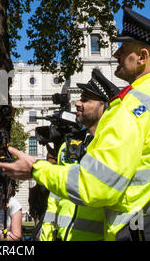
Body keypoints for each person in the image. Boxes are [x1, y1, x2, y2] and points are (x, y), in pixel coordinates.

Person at [0, 7, 150, 241]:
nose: (116, 54)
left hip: (148, 232)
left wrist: (36, 169)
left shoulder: (131, 107)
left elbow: (95, 185)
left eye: (123, 49)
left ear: (141, 57)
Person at [40, 69, 119, 241]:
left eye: (85, 99)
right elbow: (56, 195)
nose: (76, 103)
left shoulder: (113, 144)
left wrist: (35, 169)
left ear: (103, 105)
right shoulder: (69, 147)